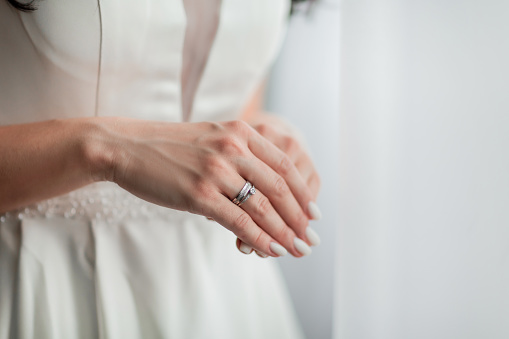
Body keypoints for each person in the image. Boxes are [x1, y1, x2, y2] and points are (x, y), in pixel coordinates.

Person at [0, 0, 322, 338]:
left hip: (227, 295)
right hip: (41, 284)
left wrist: (259, 143)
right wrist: (109, 148)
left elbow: (237, 102)